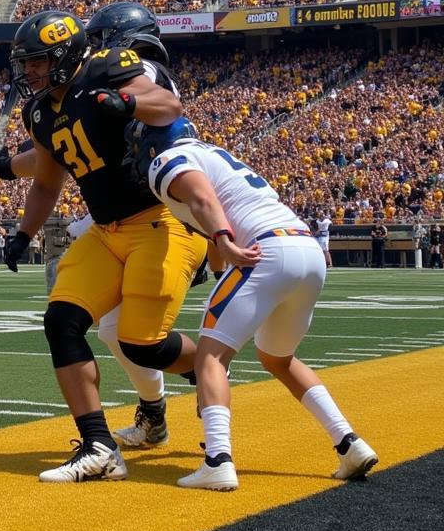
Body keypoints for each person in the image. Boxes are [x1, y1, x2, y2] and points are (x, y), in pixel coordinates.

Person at [0, 1, 199, 455]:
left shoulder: (108, 67)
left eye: (38, 61)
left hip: (158, 218)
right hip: (106, 227)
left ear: (64, 54)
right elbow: (45, 180)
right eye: (27, 64)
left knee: (140, 344)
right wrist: (23, 234)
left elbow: (169, 105)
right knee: (63, 321)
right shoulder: (39, 112)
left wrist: (128, 101)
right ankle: (98, 446)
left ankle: (209, 370)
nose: (31, 72)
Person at [126, 118, 378, 490]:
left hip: (265, 251)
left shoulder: (171, 159)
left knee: (209, 357)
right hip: (304, 250)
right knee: (278, 359)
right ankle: (349, 444)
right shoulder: (219, 156)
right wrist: (216, 265)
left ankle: (217, 459)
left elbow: (202, 200)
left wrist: (225, 241)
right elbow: (211, 219)